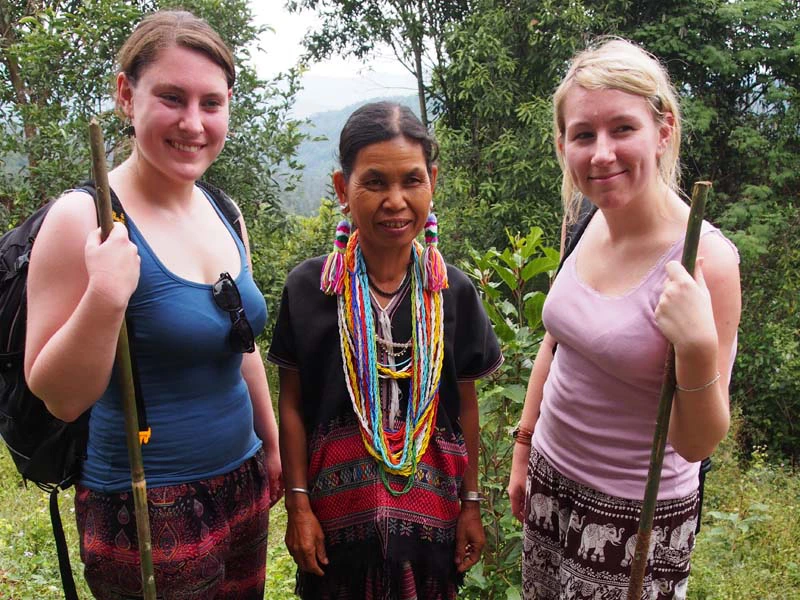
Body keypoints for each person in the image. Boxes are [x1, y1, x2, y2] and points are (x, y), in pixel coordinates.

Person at [24, 10, 282, 599]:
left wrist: (269, 443)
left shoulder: (223, 209)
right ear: (126, 94)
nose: (193, 123)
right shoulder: (84, 220)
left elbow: (239, 342)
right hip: (147, 502)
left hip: (240, 484)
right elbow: (61, 398)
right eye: (172, 97)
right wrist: (104, 296)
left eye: (211, 103)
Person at [507, 38, 741, 599]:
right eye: (583, 134)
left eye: (622, 129)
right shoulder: (588, 220)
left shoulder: (705, 261)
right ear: (564, 144)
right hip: (551, 482)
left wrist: (698, 346)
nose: (601, 153)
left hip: (633, 518)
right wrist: (523, 445)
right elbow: (556, 342)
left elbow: (697, 442)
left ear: (663, 131)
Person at [268, 101, 503, 599]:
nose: (395, 200)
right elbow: (291, 403)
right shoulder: (312, 289)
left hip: (431, 529)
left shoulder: (452, 292)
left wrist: (472, 504)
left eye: (411, 181)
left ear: (432, 182)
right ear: (342, 189)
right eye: (374, 182)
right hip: (336, 533)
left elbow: (465, 407)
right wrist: (299, 507)